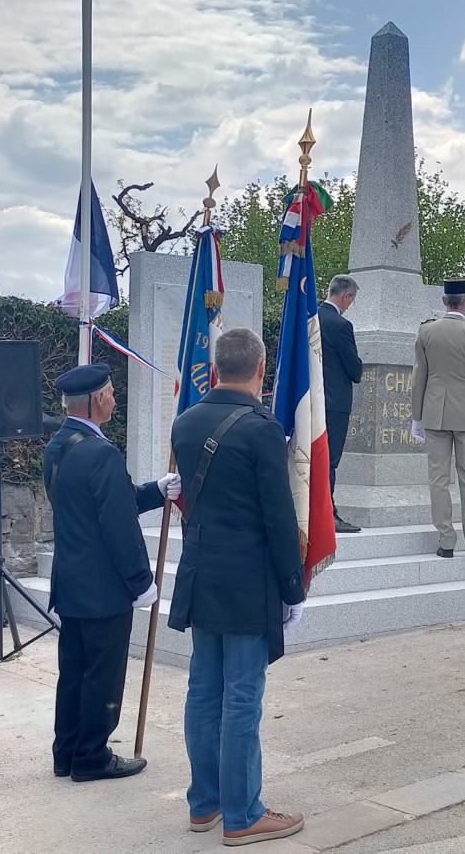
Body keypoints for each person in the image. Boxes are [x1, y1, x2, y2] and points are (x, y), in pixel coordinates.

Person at [169, 327, 307, 845]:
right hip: (248, 579)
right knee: (241, 697)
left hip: (202, 572)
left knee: (203, 692)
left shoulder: (185, 422)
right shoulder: (260, 429)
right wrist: (293, 587)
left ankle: (204, 804)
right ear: (260, 369)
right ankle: (243, 813)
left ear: (217, 367)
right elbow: (277, 514)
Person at [43, 362, 180, 782]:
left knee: (75, 672)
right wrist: (141, 581)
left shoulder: (60, 445)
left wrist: (155, 491)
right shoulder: (99, 452)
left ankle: (67, 752)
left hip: (72, 584)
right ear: (97, 399)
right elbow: (117, 526)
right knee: (102, 675)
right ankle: (92, 757)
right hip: (104, 590)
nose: (115, 399)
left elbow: (105, 504)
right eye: (112, 393)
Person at [410, 279, 465, 557]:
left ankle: (446, 540)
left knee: (438, 479)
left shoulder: (426, 331)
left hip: (434, 413)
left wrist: (416, 416)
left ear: (444, 301)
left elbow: (419, 376)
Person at [318, 274, 364, 534]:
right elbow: (354, 370)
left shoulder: (308, 318)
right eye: (351, 300)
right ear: (346, 296)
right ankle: (328, 514)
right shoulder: (340, 325)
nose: (350, 305)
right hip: (334, 401)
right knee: (329, 460)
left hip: (309, 400)